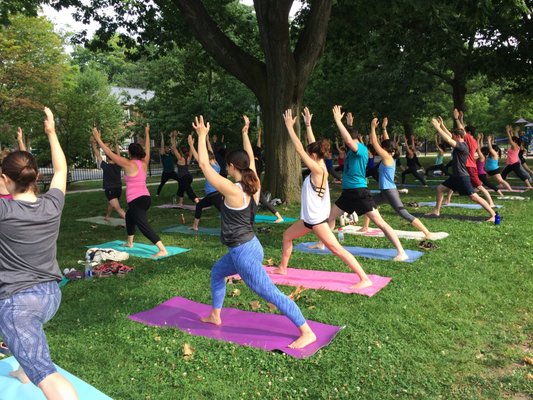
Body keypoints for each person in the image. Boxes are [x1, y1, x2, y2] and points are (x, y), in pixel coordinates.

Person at [194, 114, 316, 349]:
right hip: (248, 246)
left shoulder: (232, 190)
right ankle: (215, 315)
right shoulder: (254, 184)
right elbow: (250, 160)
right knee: (217, 272)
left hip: (244, 253)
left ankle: (306, 330)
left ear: (230, 167)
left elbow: (203, 165)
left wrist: (202, 136)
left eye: (227, 166)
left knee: (271, 293)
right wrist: (245, 134)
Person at [0, 108, 79, 400]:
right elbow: (61, 170)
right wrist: (51, 132)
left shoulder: (4, 211)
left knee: (46, 375)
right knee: (26, 338)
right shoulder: (51, 205)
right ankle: (23, 369)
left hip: (18, 304)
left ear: (7, 179)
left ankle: (31, 367)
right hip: (50, 297)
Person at [272, 108, 372, 289]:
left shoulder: (318, 169)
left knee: (336, 249)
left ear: (313, 156)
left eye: (310, 153)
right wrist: (308, 125)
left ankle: (364, 278)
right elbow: (312, 144)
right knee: (287, 236)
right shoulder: (319, 164)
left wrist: (289, 127)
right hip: (308, 220)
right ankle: (282, 267)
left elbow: (299, 148)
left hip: (317, 221)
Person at [316, 106, 408, 261]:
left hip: (359, 192)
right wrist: (348, 123)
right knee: (330, 217)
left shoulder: (361, 149)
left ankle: (401, 252)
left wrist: (338, 121)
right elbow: (349, 137)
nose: (346, 142)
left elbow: (348, 139)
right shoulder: (353, 150)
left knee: (379, 222)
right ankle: (321, 243)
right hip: (348, 193)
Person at [93, 125, 168, 257]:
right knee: (129, 217)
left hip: (137, 200)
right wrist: (147, 133)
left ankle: (162, 249)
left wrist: (98, 139)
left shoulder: (128, 163)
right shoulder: (144, 162)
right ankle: (130, 242)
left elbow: (109, 154)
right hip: (145, 198)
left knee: (143, 226)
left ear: (129, 152)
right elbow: (148, 148)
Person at [361, 117, 434, 239]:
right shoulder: (391, 155)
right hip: (385, 192)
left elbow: (374, 143)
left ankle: (427, 232)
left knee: (403, 213)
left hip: (390, 192)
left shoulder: (387, 157)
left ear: (385, 149)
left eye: (382, 147)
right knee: (369, 205)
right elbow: (388, 141)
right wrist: (384, 128)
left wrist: (373, 128)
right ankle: (365, 227)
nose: (380, 149)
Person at [426, 117, 495, 221]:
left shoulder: (462, 146)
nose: (452, 137)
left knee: (474, 197)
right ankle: (436, 211)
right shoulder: (460, 143)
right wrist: (442, 125)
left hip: (462, 177)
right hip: (456, 176)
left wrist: (437, 127)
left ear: (458, 136)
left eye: (454, 136)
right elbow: (449, 137)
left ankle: (493, 215)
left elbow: (448, 139)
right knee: (440, 188)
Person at [456, 110, 497, 208]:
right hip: (465, 165)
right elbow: (462, 129)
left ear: (468, 132)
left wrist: (457, 118)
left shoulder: (469, 139)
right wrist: (461, 118)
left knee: (480, 186)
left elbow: (461, 129)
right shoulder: (472, 139)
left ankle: (491, 203)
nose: (463, 132)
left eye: (465, 131)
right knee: (455, 179)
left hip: (470, 166)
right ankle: (448, 198)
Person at [187, 134, 223, 230]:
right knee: (199, 205)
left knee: (224, 212)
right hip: (211, 195)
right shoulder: (215, 163)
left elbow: (198, 157)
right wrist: (207, 140)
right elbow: (211, 151)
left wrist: (191, 145)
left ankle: (233, 228)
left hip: (214, 194)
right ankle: (195, 226)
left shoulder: (209, 167)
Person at [90, 134, 126, 220]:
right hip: (118, 189)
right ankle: (107, 217)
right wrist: (116, 142)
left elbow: (98, 155)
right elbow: (118, 154)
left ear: (107, 158)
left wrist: (93, 144)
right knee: (111, 203)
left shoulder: (105, 166)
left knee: (118, 208)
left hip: (110, 189)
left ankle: (130, 221)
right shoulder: (118, 165)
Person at [252, 127, 284, 223]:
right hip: (256, 184)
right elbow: (258, 148)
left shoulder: (253, 162)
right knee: (260, 201)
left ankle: (279, 217)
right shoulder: (259, 161)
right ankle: (279, 217)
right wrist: (259, 135)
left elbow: (256, 149)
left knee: (259, 202)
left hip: (254, 184)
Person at [169, 131, 199, 206]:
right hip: (188, 177)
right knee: (181, 190)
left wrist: (173, 138)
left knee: (188, 190)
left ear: (181, 152)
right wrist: (191, 140)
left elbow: (174, 148)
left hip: (183, 178)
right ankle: (180, 203)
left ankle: (197, 201)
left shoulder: (180, 158)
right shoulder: (188, 158)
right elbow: (191, 149)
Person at [0, 127, 27, 200]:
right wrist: (20, 140)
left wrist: (20, 140)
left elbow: (25, 159)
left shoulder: (16, 175)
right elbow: (25, 159)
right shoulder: (15, 176)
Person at [156, 132, 180, 197]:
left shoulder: (171, 154)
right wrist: (162, 137)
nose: (167, 149)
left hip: (172, 172)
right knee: (162, 184)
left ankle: (180, 192)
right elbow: (162, 146)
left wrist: (172, 137)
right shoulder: (163, 155)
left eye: (168, 148)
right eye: (166, 148)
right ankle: (157, 194)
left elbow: (174, 147)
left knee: (180, 181)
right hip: (165, 173)